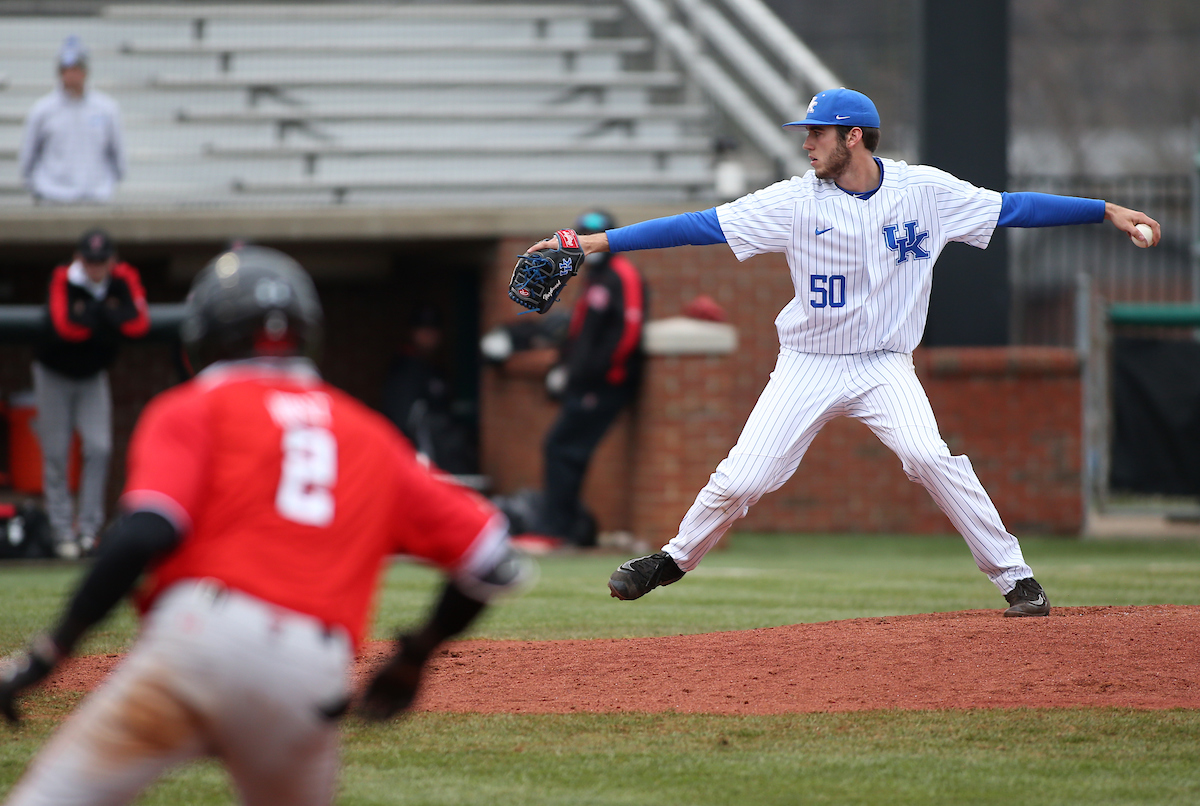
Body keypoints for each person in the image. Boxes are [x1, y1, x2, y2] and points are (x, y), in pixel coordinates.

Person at [525, 88, 1161, 616]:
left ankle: (1016, 579)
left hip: (885, 365)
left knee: (927, 456)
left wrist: (1106, 210)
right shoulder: (793, 200)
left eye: (817, 133)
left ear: (853, 136)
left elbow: (1012, 208)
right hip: (809, 363)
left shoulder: (924, 192)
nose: (806, 143)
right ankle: (671, 560)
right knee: (747, 477)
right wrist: (591, 244)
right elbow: (700, 226)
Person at [0, 246, 532, 806]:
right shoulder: (371, 435)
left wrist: (49, 654)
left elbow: (144, 533)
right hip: (310, 672)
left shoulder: (193, 406)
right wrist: (413, 657)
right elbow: (491, 559)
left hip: (198, 639)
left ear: (204, 334)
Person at [33, 227, 149, 558]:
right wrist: (110, 313)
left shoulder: (123, 277)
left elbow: (138, 323)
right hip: (53, 374)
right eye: (89, 260)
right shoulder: (63, 278)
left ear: (111, 260)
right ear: (78, 258)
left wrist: (94, 314)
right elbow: (66, 325)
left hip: (93, 376)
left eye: (101, 260)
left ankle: (88, 531)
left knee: (99, 448)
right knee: (56, 453)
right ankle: (61, 534)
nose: (95, 267)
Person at [537, 210, 647, 547]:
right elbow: (582, 333)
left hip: (605, 385)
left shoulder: (623, 274)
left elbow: (628, 332)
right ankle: (566, 528)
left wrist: (601, 375)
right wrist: (566, 369)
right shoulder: (594, 278)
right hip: (585, 384)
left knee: (562, 447)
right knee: (563, 449)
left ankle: (563, 529)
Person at [18, 35, 126, 204]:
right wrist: (38, 187)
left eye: (76, 69)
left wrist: (108, 184)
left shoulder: (106, 109)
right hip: (52, 196)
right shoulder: (42, 110)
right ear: (60, 73)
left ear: (85, 71)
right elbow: (28, 157)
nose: (71, 75)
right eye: (66, 69)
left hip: (96, 196)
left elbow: (117, 153)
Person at [381, 305, 477, 475]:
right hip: (420, 464)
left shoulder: (435, 369)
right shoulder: (405, 371)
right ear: (412, 332)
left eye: (433, 330)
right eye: (423, 330)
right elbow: (403, 424)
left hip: (444, 460)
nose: (428, 336)